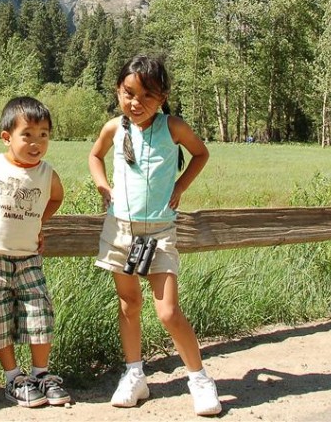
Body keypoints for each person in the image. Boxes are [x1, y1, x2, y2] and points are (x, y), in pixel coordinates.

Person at [88, 55, 221, 417]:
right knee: (129, 304)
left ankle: (199, 378)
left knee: (168, 311)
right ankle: (134, 375)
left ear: (162, 97)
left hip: (159, 230)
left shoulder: (173, 127)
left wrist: (180, 186)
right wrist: (103, 187)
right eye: (129, 93)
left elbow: (201, 153)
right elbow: (95, 156)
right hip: (121, 230)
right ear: (118, 90)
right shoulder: (114, 128)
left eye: (148, 96)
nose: (136, 103)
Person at [0, 96, 70, 409]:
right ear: (7, 137)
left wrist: (40, 222)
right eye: (27, 134)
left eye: (44, 135)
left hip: (28, 255)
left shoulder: (47, 173)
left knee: (39, 311)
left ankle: (41, 375)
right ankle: (14, 378)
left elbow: (55, 199)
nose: (36, 142)